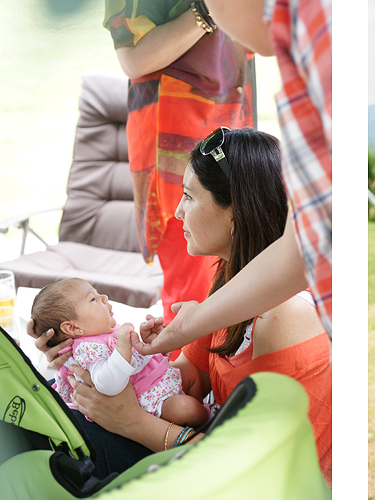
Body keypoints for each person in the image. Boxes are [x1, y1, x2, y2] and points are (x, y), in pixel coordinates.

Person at [30, 128, 332, 486]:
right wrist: (87, 356)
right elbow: (184, 376)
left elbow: (253, 462)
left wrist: (131, 420)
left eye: (189, 196)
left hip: (273, 481)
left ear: (235, 212)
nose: (177, 212)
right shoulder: (230, 284)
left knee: (54, 449)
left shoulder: (282, 316)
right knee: (46, 415)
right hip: (216, 453)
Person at [128, 0, 332, 357]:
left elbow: (306, 247)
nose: (234, 46)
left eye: (188, 198)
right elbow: (305, 245)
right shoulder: (308, 47)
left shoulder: (319, 44)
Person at [102, 0, 257, 336]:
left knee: (237, 262)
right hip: (175, 132)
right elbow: (134, 58)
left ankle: (214, 374)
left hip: (235, 121)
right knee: (191, 277)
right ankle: (180, 377)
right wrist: (209, 8)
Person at [30, 278, 209, 428]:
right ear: (72, 327)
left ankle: (199, 416)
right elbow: (107, 384)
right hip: (145, 397)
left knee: (192, 374)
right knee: (186, 409)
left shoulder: (102, 331)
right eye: (93, 299)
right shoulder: (85, 349)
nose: (104, 298)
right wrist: (124, 345)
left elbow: (135, 357)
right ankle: (207, 418)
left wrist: (148, 343)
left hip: (156, 379)